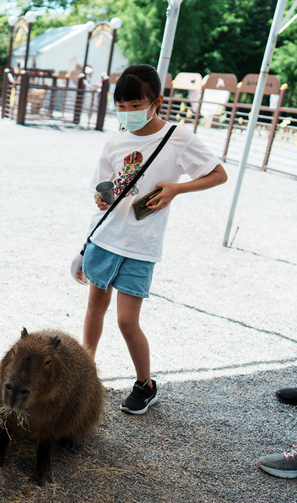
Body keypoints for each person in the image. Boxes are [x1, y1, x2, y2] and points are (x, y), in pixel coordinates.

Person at [80, 64, 227, 415]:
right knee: (94, 308)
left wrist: (178, 188)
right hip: (107, 237)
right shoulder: (115, 141)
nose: (128, 113)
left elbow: (218, 173)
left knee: (127, 320)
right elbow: (102, 187)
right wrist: (101, 198)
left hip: (141, 245)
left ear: (157, 101)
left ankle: (145, 384)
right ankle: (84, 377)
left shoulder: (178, 138)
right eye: (122, 106)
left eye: (135, 105)